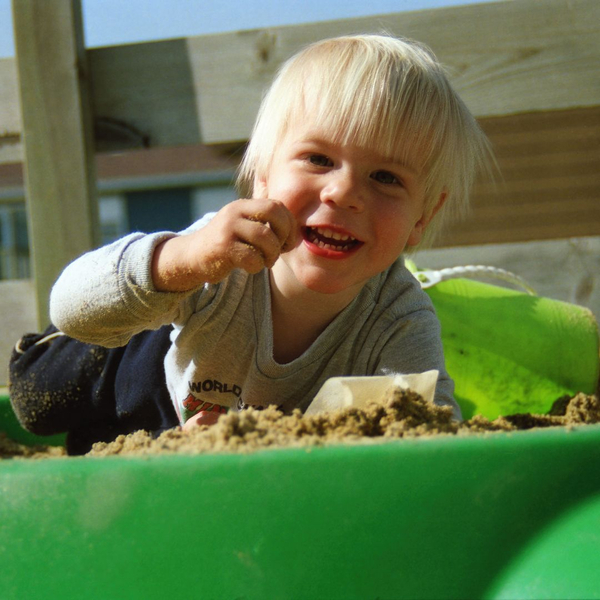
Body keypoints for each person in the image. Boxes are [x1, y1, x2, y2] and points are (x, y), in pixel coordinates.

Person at [9, 34, 492, 454]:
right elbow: (71, 303)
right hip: (154, 347)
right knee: (39, 396)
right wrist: (181, 261)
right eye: (319, 159)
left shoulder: (398, 319)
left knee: (132, 439)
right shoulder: (218, 257)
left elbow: (432, 428)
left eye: (386, 177)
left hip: (192, 415)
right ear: (262, 179)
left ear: (420, 220)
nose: (344, 192)